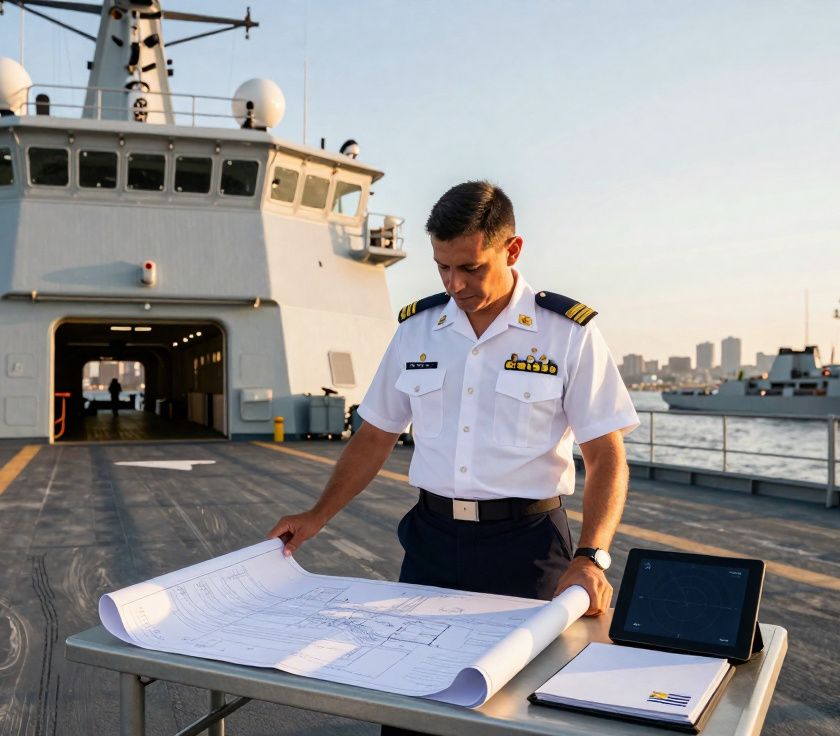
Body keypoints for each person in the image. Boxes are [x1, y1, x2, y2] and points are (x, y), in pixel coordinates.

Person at [267, 182, 638, 731]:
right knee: (412, 702)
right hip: (433, 543)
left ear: (512, 250)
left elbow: (606, 457)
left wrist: (592, 556)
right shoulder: (418, 331)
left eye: (469, 267)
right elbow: (374, 436)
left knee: (519, 713)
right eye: (443, 268)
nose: (454, 283)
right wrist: (316, 515)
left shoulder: (567, 334)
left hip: (529, 550)